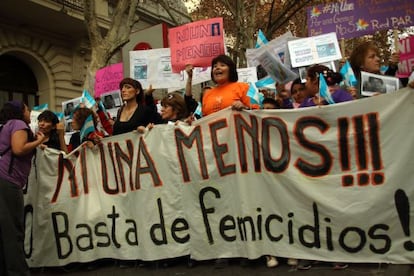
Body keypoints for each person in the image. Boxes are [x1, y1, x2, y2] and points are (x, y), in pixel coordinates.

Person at [0, 100, 47, 276]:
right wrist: (39, 141)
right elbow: (19, 149)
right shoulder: (18, 123)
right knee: (13, 230)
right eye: (27, 109)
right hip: (8, 181)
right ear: (20, 111)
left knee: (4, 231)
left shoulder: (5, 125)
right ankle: (18, 272)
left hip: (3, 180)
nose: (29, 112)